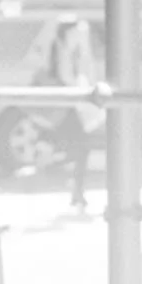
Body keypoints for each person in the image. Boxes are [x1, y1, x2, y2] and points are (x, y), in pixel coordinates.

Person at [44, 13, 101, 209]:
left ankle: (77, 189)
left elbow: (87, 70)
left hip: (73, 105)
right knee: (76, 146)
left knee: (81, 147)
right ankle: (74, 186)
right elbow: (65, 76)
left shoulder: (75, 49)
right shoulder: (60, 49)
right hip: (65, 106)